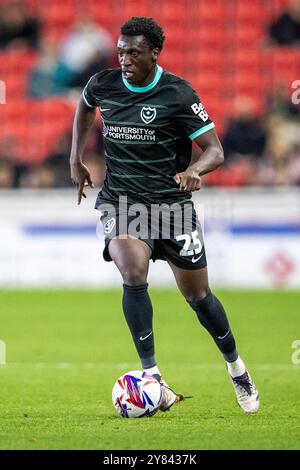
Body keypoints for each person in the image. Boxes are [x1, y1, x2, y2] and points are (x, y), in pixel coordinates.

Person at [70, 17, 259, 414]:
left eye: (133, 52)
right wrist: (77, 157)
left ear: (155, 53)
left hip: (171, 206)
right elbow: (85, 108)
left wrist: (194, 171)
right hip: (122, 201)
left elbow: (215, 150)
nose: (124, 58)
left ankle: (236, 367)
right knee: (132, 272)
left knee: (198, 296)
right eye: (121, 51)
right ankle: (151, 375)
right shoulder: (103, 83)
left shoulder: (177, 93)